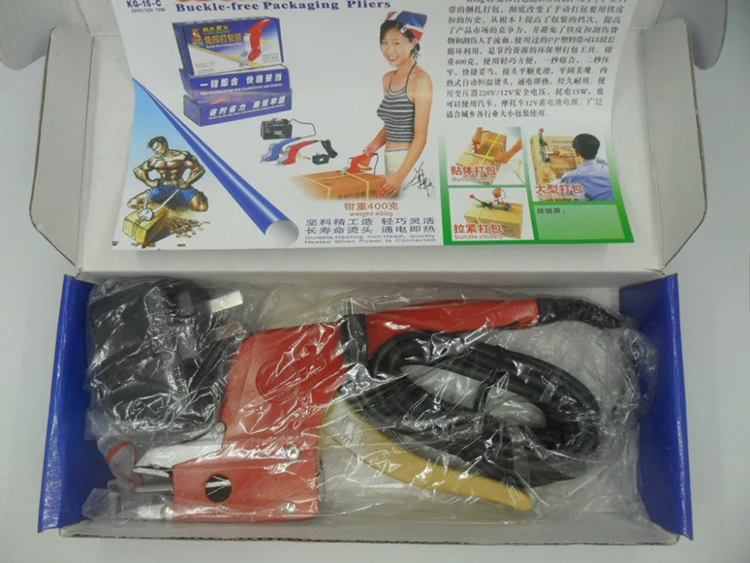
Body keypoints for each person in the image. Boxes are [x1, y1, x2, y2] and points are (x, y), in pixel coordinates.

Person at [365, 12, 433, 198]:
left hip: (409, 162)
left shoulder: (421, 80)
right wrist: (368, 151)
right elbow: (391, 125)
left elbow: (420, 136)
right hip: (391, 158)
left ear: (413, 43)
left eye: (396, 43)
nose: (389, 50)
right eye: (384, 42)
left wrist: (399, 176)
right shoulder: (388, 79)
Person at [129, 136, 208, 212]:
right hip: (162, 188)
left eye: (157, 147)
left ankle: (195, 196)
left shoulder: (181, 156)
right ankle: (159, 211)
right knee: (133, 203)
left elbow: (199, 169)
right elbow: (138, 170)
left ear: (165, 144)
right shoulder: (155, 160)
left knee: (202, 208)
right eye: (154, 149)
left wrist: (187, 183)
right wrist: (149, 182)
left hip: (180, 187)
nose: (156, 151)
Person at [558, 134, 615, 202]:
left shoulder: (572, 176)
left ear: (575, 152)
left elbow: (555, 188)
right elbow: (595, 158)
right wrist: (572, 151)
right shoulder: (607, 167)